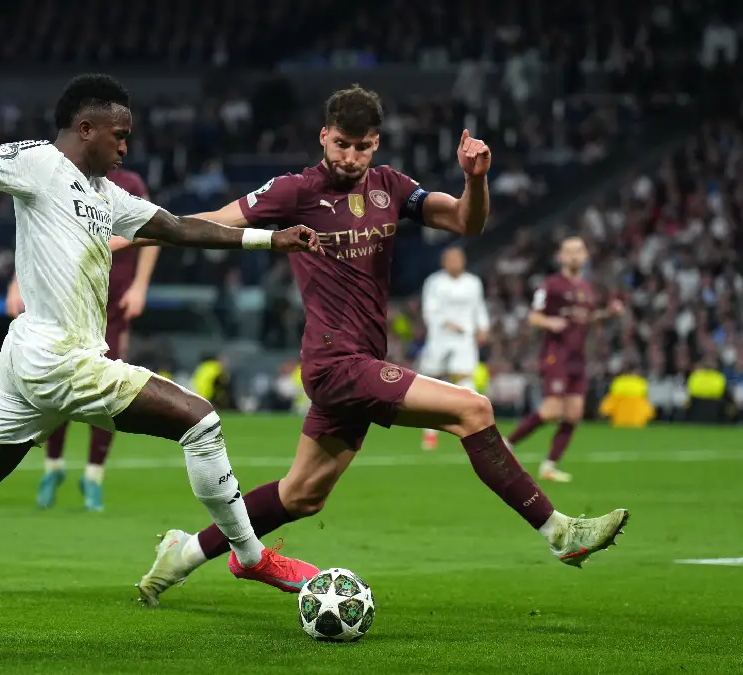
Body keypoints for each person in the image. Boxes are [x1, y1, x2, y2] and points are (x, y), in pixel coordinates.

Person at [0, 74, 323, 622]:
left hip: (32, 362)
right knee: (200, 423)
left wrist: (269, 238)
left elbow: (177, 228)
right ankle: (248, 555)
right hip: (59, 357)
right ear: (86, 129)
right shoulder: (39, 162)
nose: (126, 146)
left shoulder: (105, 195)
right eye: (119, 134)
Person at [134, 85, 628, 606]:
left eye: (362, 147)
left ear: (377, 145)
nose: (350, 157)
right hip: (334, 364)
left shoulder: (391, 187)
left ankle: (184, 553)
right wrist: (124, 234)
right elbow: (208, 222)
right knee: (473, 408)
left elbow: (467, 221)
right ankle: (559, 532)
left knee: (301, 495)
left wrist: (474, 179)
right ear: (324, 136)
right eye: (342, 144)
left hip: (362, 362)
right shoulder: (294, 191)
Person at [5, 168, 160, 512]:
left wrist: (140, 286)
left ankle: (93, 476)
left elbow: (154, 231)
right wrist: (16, 284)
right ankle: (53, 468)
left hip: (112, 302)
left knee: (110, 388)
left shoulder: (130, 185)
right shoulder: (59, 178)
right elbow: (38, 239)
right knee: (56, 382)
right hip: (63, 298)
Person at [506, 236, 624, 482]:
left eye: (579, 251)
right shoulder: (551, 285)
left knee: (573, 414)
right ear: (560, 257)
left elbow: (587, 319)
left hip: (578, 357)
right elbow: (533, 317)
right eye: (569, 252)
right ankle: (508, 443)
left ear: (586, 256)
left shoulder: (587, 288)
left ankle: (549, 466)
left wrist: (608, 313)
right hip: (555, 355)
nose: (574, 256)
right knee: (551, 411)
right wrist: (550, 321)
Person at [417, 247, 490, 450]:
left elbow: (479, 307)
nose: (455, 262)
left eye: (458, 258)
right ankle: (430, 432)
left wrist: (483, 327)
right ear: (444, 262)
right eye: (451, 259)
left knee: (465, 378)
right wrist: (446, 323)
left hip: (465, 338)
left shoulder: (473, 282)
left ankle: (477, 428)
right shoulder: (435, 282)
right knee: (433, 381)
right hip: (440, 337)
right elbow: (429, 310)